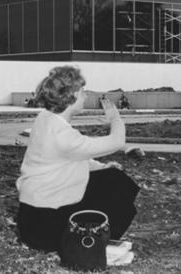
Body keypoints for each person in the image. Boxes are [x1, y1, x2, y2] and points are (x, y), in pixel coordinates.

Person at [16, 65, 140, 252]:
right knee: (121, 191)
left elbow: (71, 157)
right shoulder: (62, 135)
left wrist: (102, 167)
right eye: (82, 91)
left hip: (31, 219)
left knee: (112, 177)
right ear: (71, 96)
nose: (85, 96)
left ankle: (92, 237)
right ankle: (92, 245)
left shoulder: (46, 119)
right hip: (45, 228)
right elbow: (116, 141)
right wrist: (115, 118)